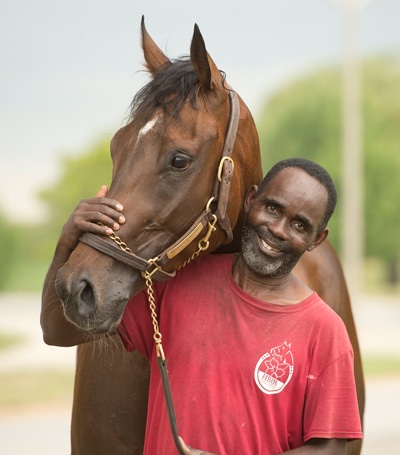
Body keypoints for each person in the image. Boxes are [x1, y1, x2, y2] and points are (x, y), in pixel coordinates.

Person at [42, 158, 362, 454]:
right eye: (273, 209)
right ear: (250, 200)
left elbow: (329, 450)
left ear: (317, 239)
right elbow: (57, 331)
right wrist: (67, 241)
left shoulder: (326, 330)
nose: (277, 230)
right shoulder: (175, 285)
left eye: (300, 225)